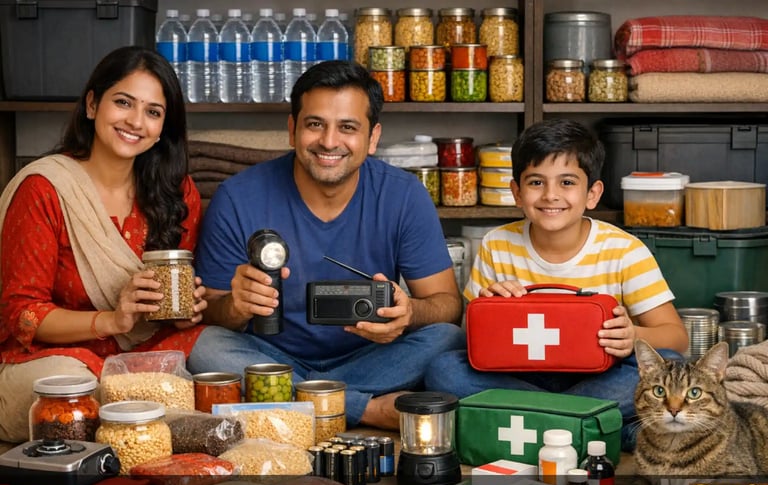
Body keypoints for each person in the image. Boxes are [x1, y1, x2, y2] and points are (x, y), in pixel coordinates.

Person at [189, 60, 465, 430]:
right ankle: (364, 410)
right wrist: (235, 307)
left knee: (447, 338)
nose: (329, 141)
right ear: (292, 129)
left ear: (373, 137)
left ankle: (293, 403)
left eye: (348, 127)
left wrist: (409, 313)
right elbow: (210, 313)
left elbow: (447, 305)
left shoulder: (404, 195)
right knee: (205, 346)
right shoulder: (238, 196)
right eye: (315, 124)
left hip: (372, 357)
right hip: (272, 359)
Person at [425, 119, 689, 448]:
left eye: (567, 182)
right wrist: (488, 307)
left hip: (599, 374)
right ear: (517, 193)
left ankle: (538, 420)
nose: (551, 195)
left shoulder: (624, 250)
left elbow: (676, 337)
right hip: (519, 375)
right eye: (536, 182)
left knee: (662, 360)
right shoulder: (497, 244)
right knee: (443, 369)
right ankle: (590, 424)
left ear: (592, 194)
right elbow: (470, 339)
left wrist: (632, 335)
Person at [0, 46, 208, 443]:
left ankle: (146, 421)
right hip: (51, 358)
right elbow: (22, 314)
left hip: (143, 352)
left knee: (221, 350)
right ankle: (158, 422)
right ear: (93, 104)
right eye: (123, 102)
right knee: (69, 387)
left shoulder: (176, 192)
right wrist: (113, 319)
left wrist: (185, 310)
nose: (135, 121)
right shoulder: (45, 189)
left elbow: (173, 305)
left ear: (164, 126)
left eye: (153, 111)